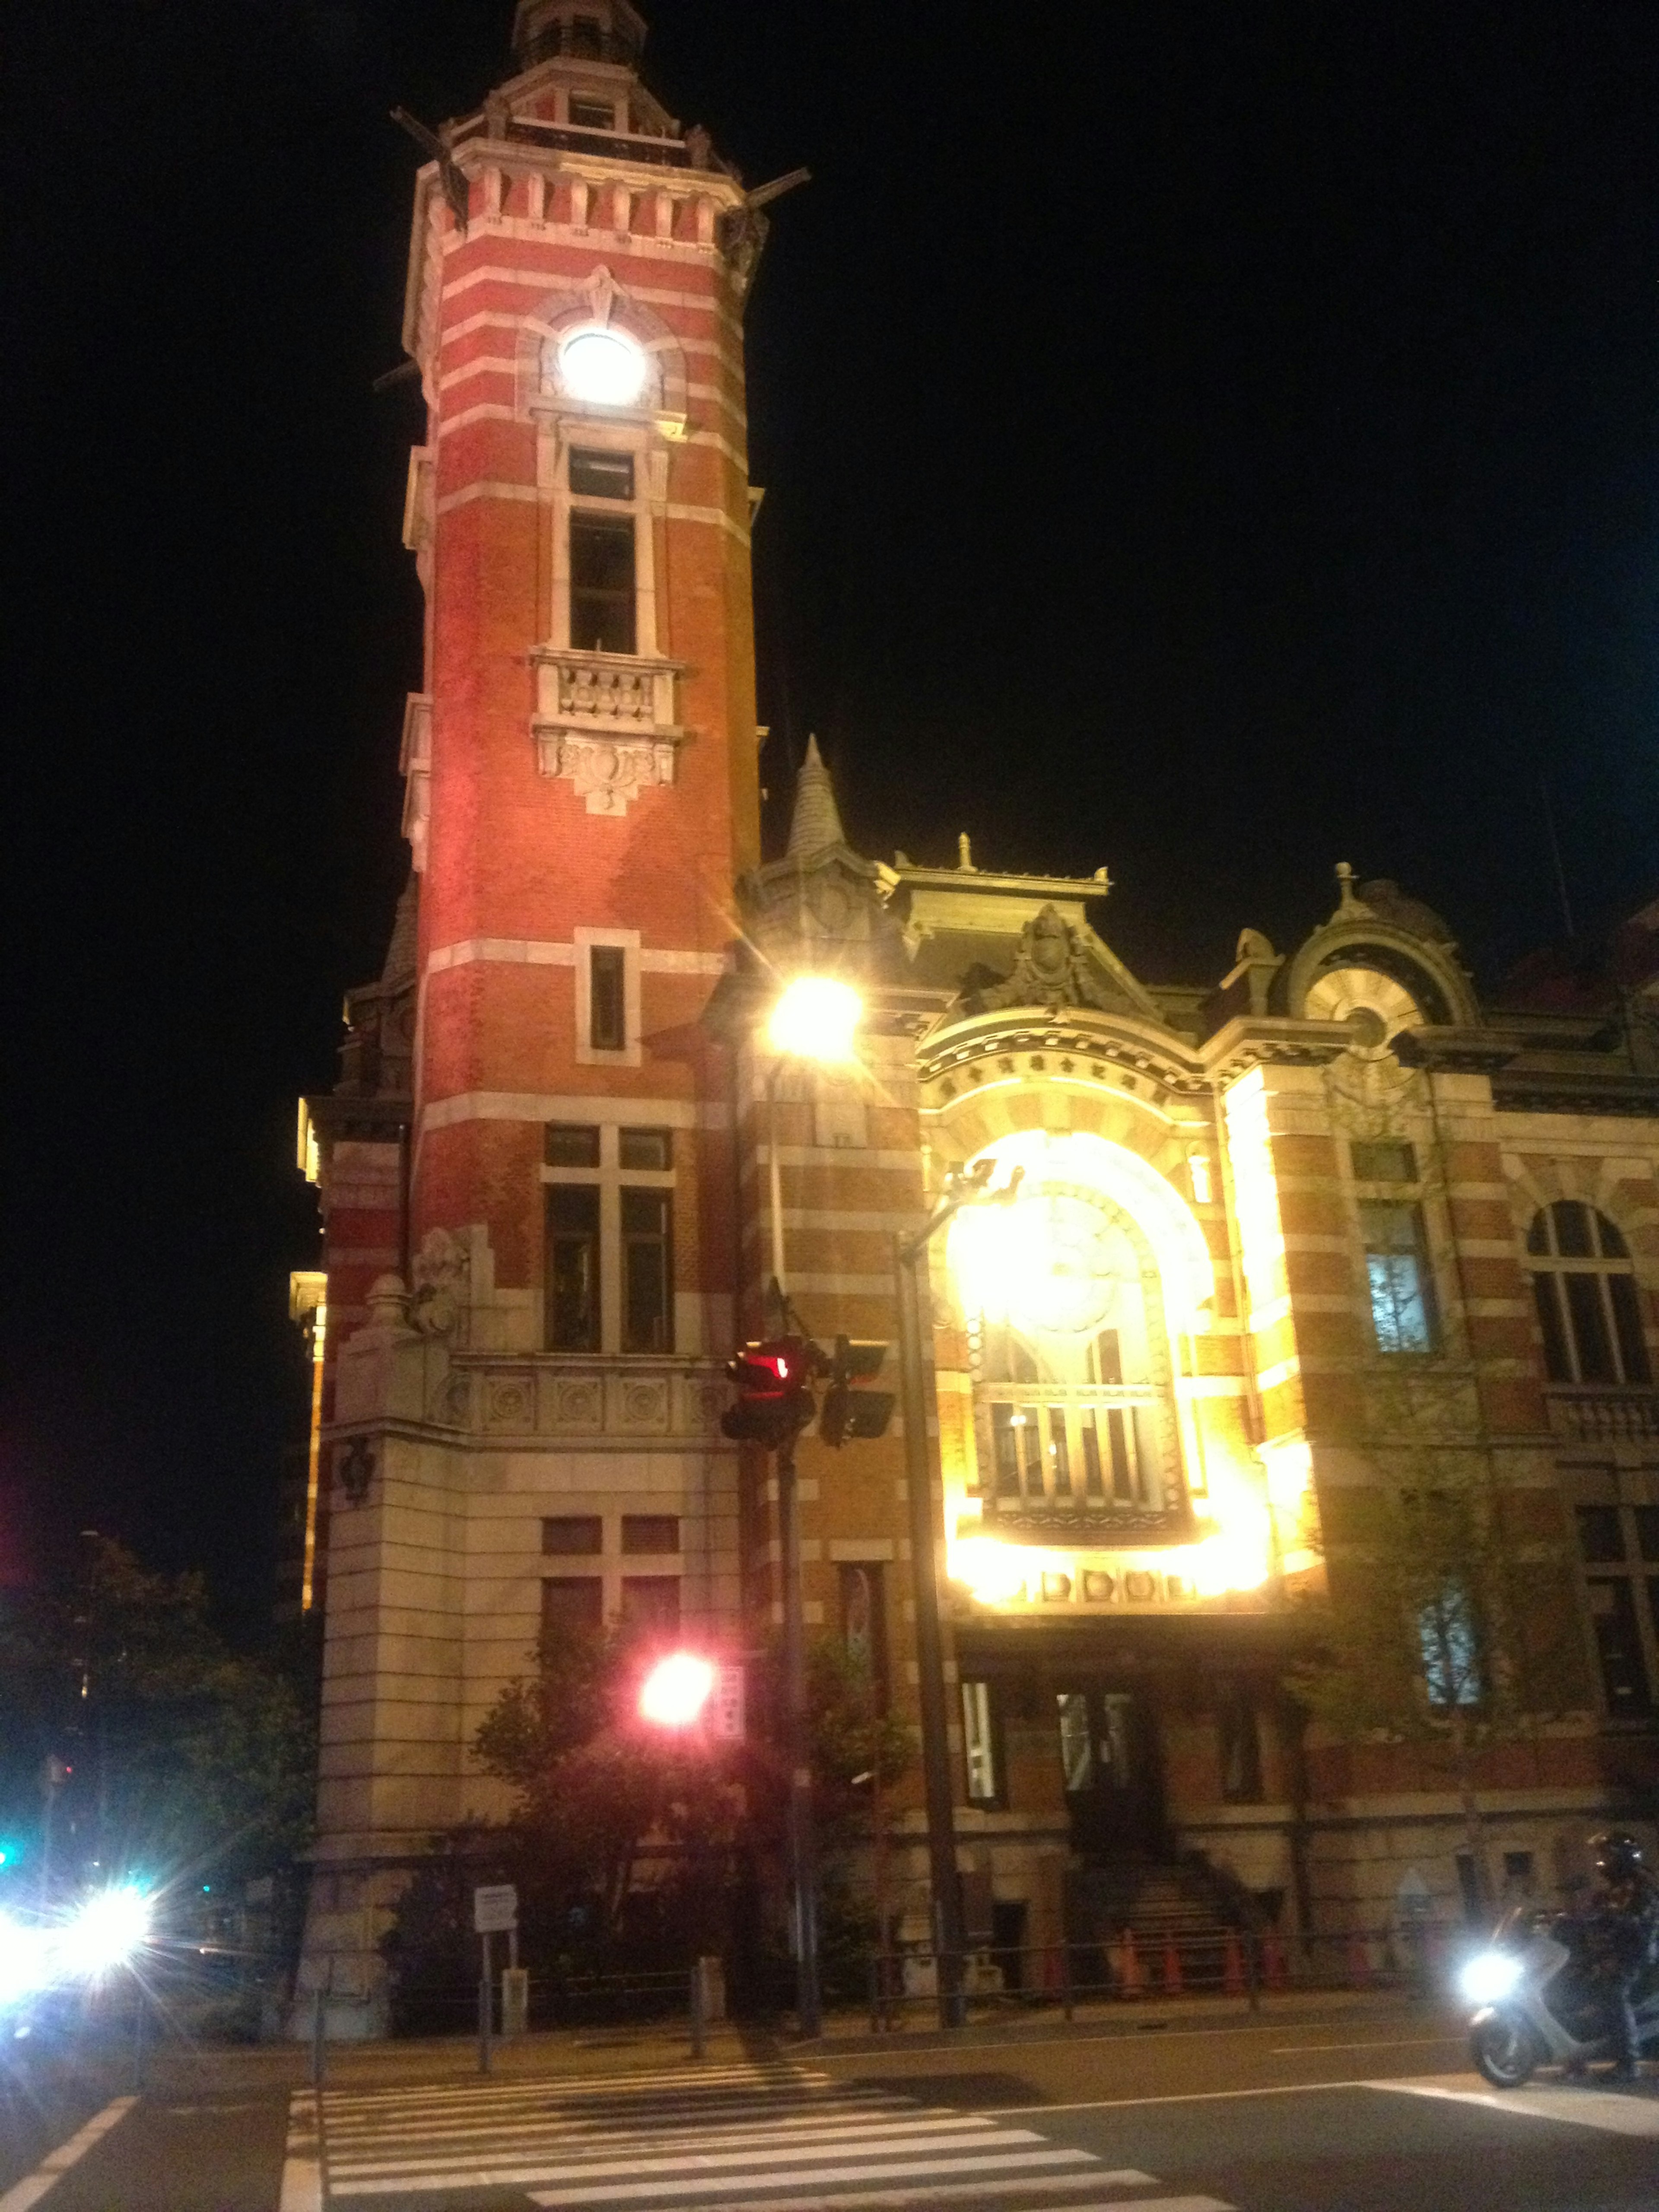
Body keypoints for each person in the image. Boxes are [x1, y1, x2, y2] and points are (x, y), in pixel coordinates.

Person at [1583, 1831, 1659, 2080]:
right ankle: (1579, 2056)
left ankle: (1629, 2063)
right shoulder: (1614, 1888)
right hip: (1618, 1954)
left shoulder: (1642, 1885)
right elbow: (1596, 1915)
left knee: (1614, 1993)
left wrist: (1614, 1918)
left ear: (1621, 1858)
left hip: (1640, 1956)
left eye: (1607, 1855)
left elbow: (1640, 1922)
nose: (1602, 1861)